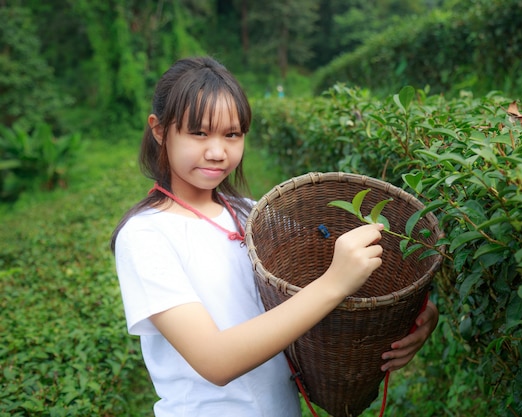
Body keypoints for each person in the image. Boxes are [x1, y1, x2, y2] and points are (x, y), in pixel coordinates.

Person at [111, 56, 439, 416]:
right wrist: (335, 283)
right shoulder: (146, 236)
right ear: (159, 131)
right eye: (199, 133)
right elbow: (215, 360)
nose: (217, 151)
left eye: (232, 134)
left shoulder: (251, 213)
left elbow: (324, 276)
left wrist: (418, 315)